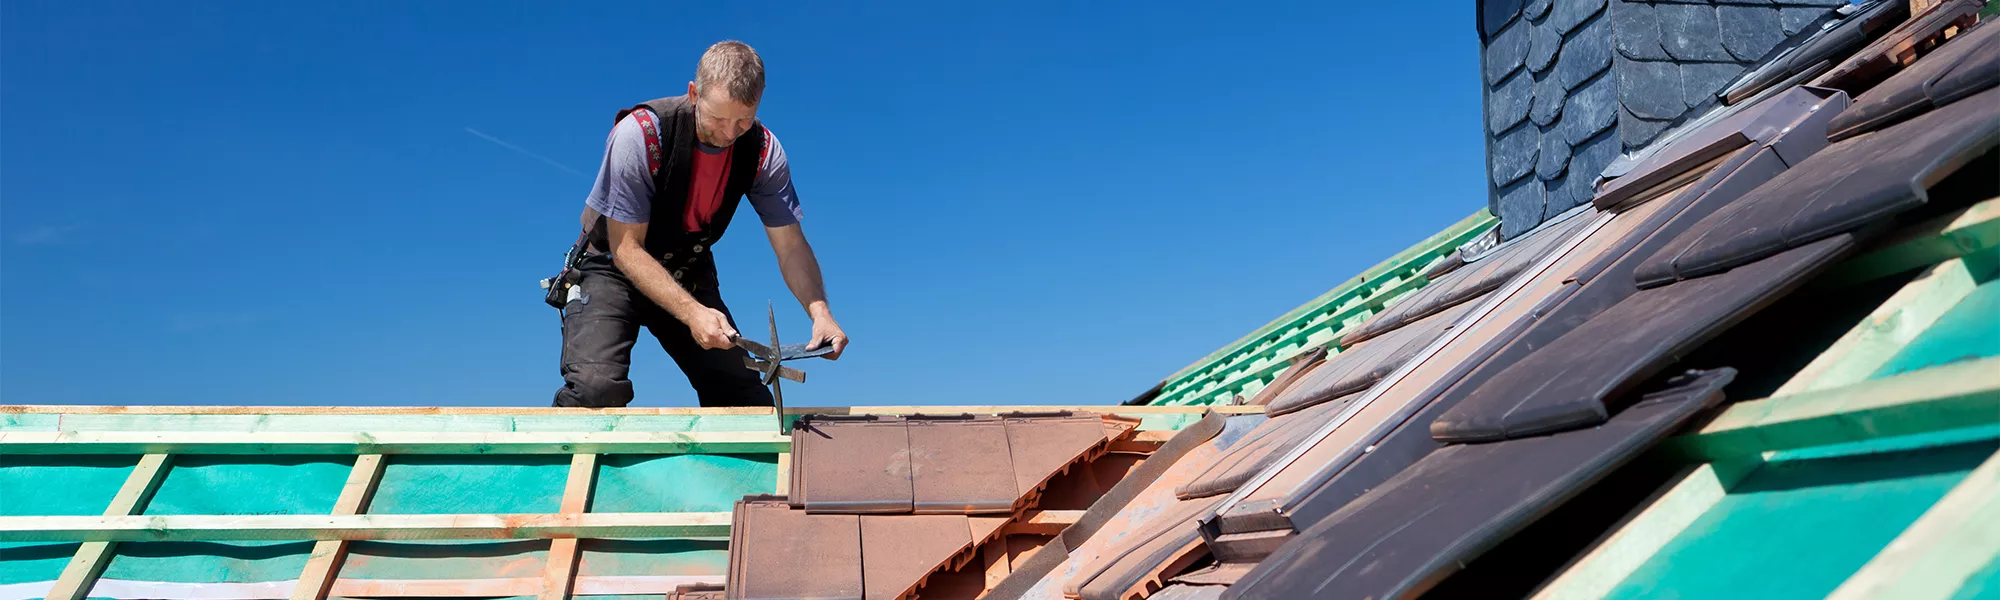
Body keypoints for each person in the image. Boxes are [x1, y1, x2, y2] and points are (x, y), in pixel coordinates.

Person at [552, 40, 847, 408]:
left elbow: (790, 246)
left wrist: (820, 313)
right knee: (596, 390)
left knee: (746, 403)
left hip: (687, 270)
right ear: (694, 94)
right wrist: (693, 313)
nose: (730, 133)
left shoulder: (763, 152)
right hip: (612, 267)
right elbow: (626, 249)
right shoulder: (639, 135)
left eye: (743, 120)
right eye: (718, 118)